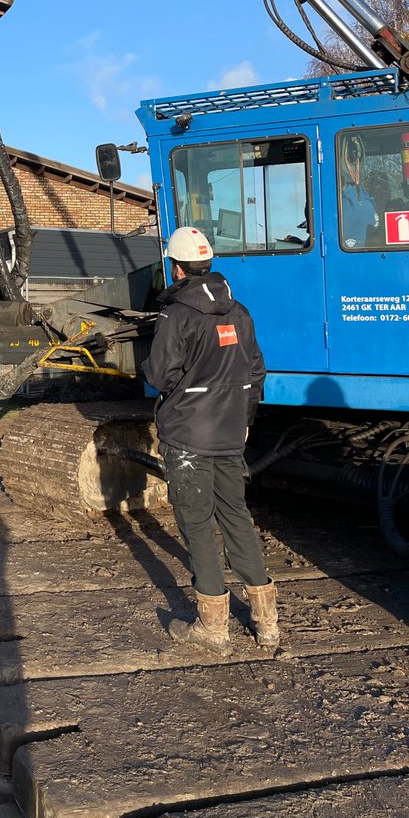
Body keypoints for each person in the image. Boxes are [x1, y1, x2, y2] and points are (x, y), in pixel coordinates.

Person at [142, 227, 279, 654]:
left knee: (198, 525)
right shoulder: (239, 311)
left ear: (176, 266)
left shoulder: (176, 314)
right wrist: (244, 419)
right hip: (229, 432)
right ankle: (267, 625)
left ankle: (213, 629)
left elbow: (158, 375)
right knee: (236, 517)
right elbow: (256, 372)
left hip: (188, 435)